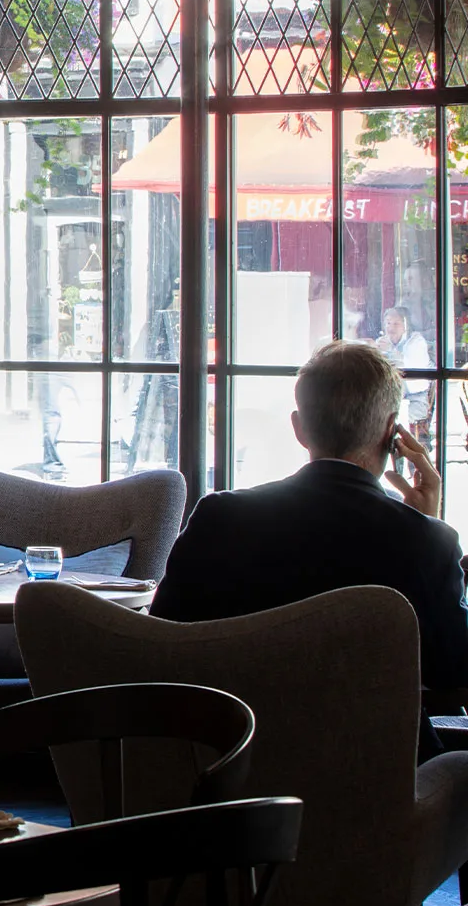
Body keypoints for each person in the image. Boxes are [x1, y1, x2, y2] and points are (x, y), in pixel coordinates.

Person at [152, 341, 468, 733]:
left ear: (299, 428)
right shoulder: (426, 542)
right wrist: (425, 525)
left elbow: (164, 642)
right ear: (392, 433)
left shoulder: (218, 518)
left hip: (232, 754)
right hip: (375, 762)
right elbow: (451, 673)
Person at [375, 305, 435, 433]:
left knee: (390, 420)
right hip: (390, 400)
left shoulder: (416, 342)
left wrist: (391, 351)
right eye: (388, 323)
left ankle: (398, 444)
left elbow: (410, 368)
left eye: (396, 323)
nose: (390, 328)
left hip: (415, 400)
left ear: (406, 326)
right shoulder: (382, 343)